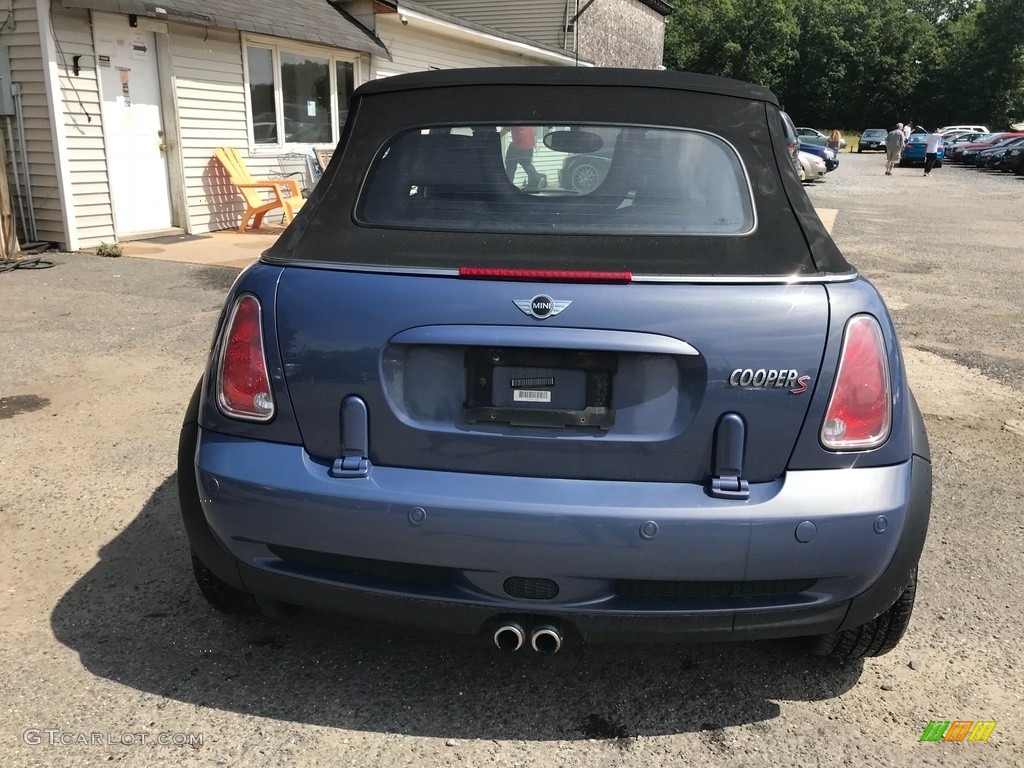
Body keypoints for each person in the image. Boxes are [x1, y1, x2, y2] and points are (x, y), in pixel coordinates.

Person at [501, 125, 546, 191]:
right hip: (530, 145)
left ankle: (508, 185)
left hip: (520, 144)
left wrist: (494, 137)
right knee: (526, 164)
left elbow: (505, 130)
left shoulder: (514, 117)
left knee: (510, 164)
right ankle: (537, 179)